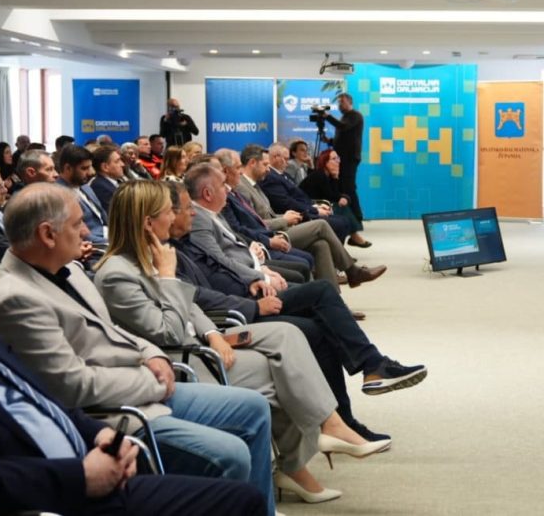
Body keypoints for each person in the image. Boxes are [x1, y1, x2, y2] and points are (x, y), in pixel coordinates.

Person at [0, 192, 265, 516]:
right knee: (233, 470)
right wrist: (81, 474)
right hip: (70, 473)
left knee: (252, 411)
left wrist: (101, 426)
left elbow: (42, 392)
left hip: (100, 429)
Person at [94, 180, 390, 503]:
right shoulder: (117, 274)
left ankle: (325, 431)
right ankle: (295, 464)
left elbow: (190, 307)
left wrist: (212, 334)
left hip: (204, 341)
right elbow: (169, 332)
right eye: (168, 212)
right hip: (179, 360)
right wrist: (167, 278)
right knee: (279, 374)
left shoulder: (149, 256)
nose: (175, 216)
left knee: (289, 335)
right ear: (148, 223)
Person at [165, 181, 428, 405]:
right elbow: (197, 294)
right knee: (319, 299)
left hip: (246, 288)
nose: (193, 212)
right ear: (162, 215)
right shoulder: (170, 251)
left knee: (321, 302)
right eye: (187, 208)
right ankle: (369, 371)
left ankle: (353, 403)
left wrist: (254, 277)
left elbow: (219, 263)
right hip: (235, 311)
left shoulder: (179, 242)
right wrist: (254, 297)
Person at [233, 145, 385, 291]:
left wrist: (286, 217)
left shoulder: (255, 185)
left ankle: (332, 298)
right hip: (271, 235)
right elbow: (254, 223)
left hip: (279, 227)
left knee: (321, 244)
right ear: (252, 163)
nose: (268, 168)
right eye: (265, 164)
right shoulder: (242, 188)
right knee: (321, 225)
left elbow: (264, 215)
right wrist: (284, 220)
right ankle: (352, 271)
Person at [261, 144, 356, 243]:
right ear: (276, 157)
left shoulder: (284, 175)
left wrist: (315, 205)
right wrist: (315, 209)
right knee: (341, 222)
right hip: (298, 215)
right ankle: (345, 248)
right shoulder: (270, 177)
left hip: (306, 208)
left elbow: (300, 196)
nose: (287, 163)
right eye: (286, 159)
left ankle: (341, 250)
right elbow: (286, 202)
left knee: (344, 220)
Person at [300, 149, 370, 248]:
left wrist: (336, 180)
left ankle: (350, 240)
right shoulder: (320, 175)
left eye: (338, 158)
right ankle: (352, 237)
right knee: (341, 208)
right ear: (325, 162)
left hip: (320, 203)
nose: (338, 161)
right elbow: (331, 196)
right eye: (334, 159)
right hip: (309, 205)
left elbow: (339, 194)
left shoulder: (328, 175)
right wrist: (341, 192)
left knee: (342, 206)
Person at [57, 145, 109, 246]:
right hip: (95, 244)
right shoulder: (58, 195)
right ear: (68, 168)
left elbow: (102, 216)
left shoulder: (84, 185)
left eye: (90, 167)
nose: (91, 172)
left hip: (107, 233)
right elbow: (83, 236)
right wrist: (115, 242)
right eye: (84, 168)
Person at [324, 93, 365, 223]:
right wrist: (330, 141)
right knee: (344, 187)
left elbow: (343, 127)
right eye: (338, 103)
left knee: (348, 187)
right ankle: (349, 216)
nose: (339, 105)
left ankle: (357, 217)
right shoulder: (345, 117)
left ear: (350, 102)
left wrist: (327, 116)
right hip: (343, 158)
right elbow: (344, 138)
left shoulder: (355, 116)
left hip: (349, 158)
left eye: (342, 102)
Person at [90, 144, 126, 212]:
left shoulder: (118, 181)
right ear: (105, 167)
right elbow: (117, 214)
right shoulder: (100, 187)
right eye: (117, 161)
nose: (122, 164)